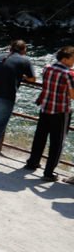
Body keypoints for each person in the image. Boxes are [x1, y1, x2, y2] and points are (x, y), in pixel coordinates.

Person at [0, 40, 36, 162]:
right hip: (6, 97)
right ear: (23, 50)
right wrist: (22, 77)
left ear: (10, 48)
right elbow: (32, 79)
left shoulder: (0, 56)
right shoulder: (25, 60)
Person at [24, 46, 74, 182]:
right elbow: (72, 95)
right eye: (73, 58)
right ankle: (49, 172)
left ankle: (32, 162)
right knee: (57, 143)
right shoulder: (68, 74)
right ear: (65, 59)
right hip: (60, 111)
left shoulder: (47, 68)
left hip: (45, 108)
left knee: (40, 136)